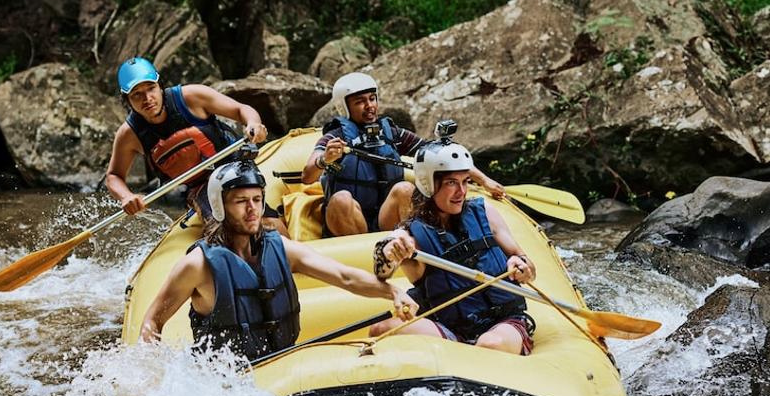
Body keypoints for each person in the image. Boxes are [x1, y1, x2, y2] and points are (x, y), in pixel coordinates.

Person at [141, 160, 418, 359]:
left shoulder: (281, 248)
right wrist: (151, 375)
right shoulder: (198, 265)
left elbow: (344, 276)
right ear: (219, 206)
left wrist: (392, 291)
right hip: (225, 382)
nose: (253, 210)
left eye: (257, 200)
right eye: (241, 201)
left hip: (281, 366)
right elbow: (152, 322)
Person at [370, 138, 537, 356]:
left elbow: (529, 268)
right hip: (451, 330)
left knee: (489, 346)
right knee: (380, 330)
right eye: (451, 183)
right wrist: (391, 250)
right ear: (429, 184)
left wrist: (522, 266)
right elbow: (383, 262)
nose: (461, 191)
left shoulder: (484, 211)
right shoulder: (411, 234)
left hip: (504, 321)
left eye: (465, 182)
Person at [301, 72, 505, 236]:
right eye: (360, 101)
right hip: (348, 220)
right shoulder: (335, 137)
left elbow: (442, 156)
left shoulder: (392, 133)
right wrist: (324, 160)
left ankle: (410, 244)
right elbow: (307, 176)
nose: (370, 105)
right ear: (344, 106)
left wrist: (485, 181)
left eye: (372, 98)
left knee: (405, 188)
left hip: (386, 217)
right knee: (341, 198)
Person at [105, 56, 270, 223]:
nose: (147, 98)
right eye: (137, 94)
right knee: (223, 226)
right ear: (127, 100)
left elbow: (240, 109)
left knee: (262, 219)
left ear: (160, 86)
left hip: (235, 165)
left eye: (151, 88)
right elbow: (113, 175)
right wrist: (126, 196)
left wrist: (253, 124)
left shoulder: (192, 97)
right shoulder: (129, 134)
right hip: (199, 187)